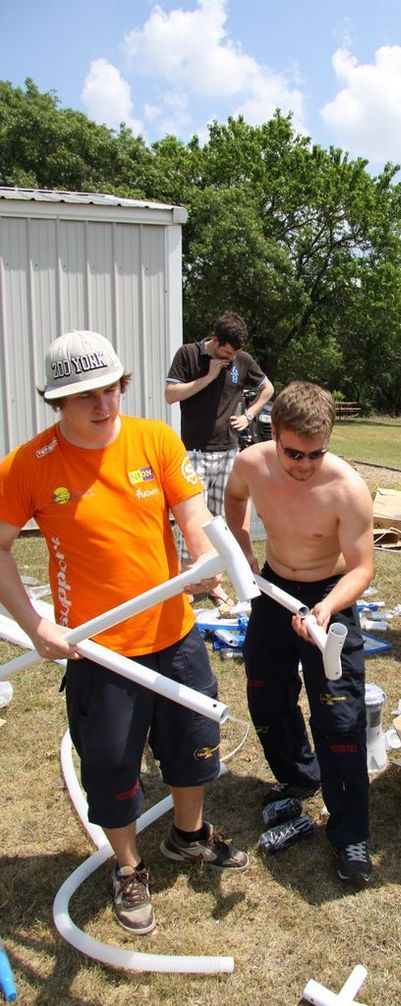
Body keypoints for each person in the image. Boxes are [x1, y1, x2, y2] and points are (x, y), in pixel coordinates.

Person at [0, 330, 249, 937]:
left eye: (110, 388)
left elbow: (192, 511)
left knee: (196, 745)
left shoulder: (155, 439)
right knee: (111, 764)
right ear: (57, 401)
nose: (102, 403)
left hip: (174, 632)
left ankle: (186, 836)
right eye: (85, 394)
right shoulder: (28, 465)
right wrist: (36, 626)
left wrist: (199, 558)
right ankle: (129, 864)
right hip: (98, 648)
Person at [224, 381, 375, 884]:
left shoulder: (346, 487)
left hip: (328, 598)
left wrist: (327, 609)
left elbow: (361, 568)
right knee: (266, 696)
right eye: (293, 453)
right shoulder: (253, 464)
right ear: (273, 432)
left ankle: (351, 835)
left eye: (316, 453)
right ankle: (298, 776)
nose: (304, 464)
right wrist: (243, 551)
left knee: (340, 716)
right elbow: (234, 500)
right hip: (272, 591)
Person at [165, 310, 274, 613]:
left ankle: (214, 584)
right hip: (194, 452)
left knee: (219, 522)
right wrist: (209, 376)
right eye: (227, 351)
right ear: (215, 340)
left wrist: (249, 414)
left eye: (235, 353)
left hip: (228, 451)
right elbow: (171, 395)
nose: (231, 358)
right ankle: (186, 587)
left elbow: (268, 388)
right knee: (192, 524)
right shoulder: (188, 354)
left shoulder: (243, 360)